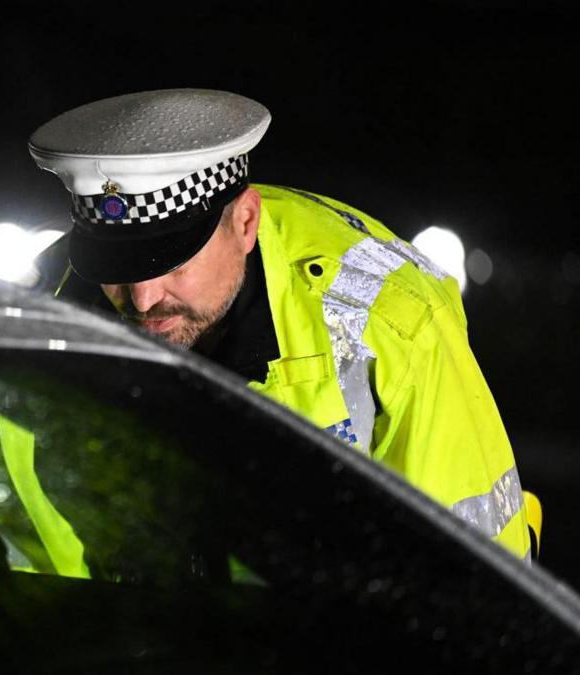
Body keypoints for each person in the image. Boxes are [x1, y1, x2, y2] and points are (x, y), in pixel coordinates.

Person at [28, 88, 538, 561]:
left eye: (172, 265)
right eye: (115, 271)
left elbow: (473, 565)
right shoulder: (31, 320)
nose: (142, 299)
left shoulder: (391, 317)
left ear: (245, 222)